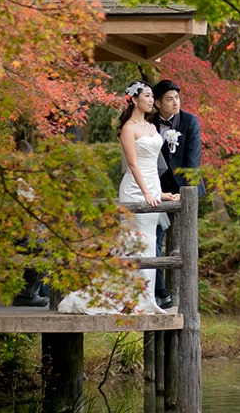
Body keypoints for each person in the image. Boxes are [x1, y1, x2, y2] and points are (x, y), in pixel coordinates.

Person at [58, 81, 179, 314]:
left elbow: (153, 165)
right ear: (134, 100)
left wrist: (160, 193)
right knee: (134, 243)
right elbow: (133, 164)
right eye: (146, 96)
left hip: (152, 185)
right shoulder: (128, 129)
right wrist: (145, 192)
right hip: (135, 188)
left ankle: (145, 297)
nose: (151, 100)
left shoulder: (152, 128)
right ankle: (125, 297)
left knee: (148, 243)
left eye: (152, 96)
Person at [151, 78, 202, 308]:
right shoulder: (148, 123)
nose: (175, 103)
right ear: (157, 103)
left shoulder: (190, 121)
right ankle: (160, 292)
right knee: (154, 239)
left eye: (177, 98)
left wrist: (185, 193)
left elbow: (193, 160)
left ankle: (183, 299)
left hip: (185, 191)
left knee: (182, 246)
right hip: (158, 191)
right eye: (169, 99)